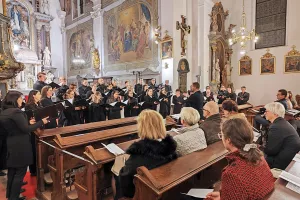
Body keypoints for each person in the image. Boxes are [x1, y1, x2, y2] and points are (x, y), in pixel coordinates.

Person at [206, 118, 274, 200]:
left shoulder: (232, 173)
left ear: (228, 140)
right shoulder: (258, 156)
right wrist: (223, 195)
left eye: (222, 135)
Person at [115, 110, 177, 199]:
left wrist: (119, 162)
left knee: (116, 168)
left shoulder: (137, 156)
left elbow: (127, 188)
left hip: (141, 194)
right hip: (162, 188)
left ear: (142, 128)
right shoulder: (169, 149)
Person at [0, 91, 49, 200]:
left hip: (10, 143)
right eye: (20, 98)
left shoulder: (4, 112)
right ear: (15, 99)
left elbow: (16, 126)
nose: (22, 100)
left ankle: (11, 195)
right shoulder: (16, 112)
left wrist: (28, 123)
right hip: (20, 145)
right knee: (20, 173)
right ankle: (14, 197)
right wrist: (41, 122)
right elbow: (26, 129)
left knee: (12, 172)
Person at [263, 102, 300, 170]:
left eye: (267, 111)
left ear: (275, 113)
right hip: (288, 158)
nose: (264, 113)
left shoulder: (276, 127)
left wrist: (260, 148)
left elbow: (271, 151)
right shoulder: (282, 123)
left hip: (281, 163)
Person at [25, 90, 43, 176]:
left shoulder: (38, 104)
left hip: (40, 127)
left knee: (39, 149)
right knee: (34, 149)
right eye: (39, 94)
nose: (40, 95)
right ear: (33, 96)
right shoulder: (29, 106)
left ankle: (39, 167)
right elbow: (31, 117)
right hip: (33, 130)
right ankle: (33, 170)